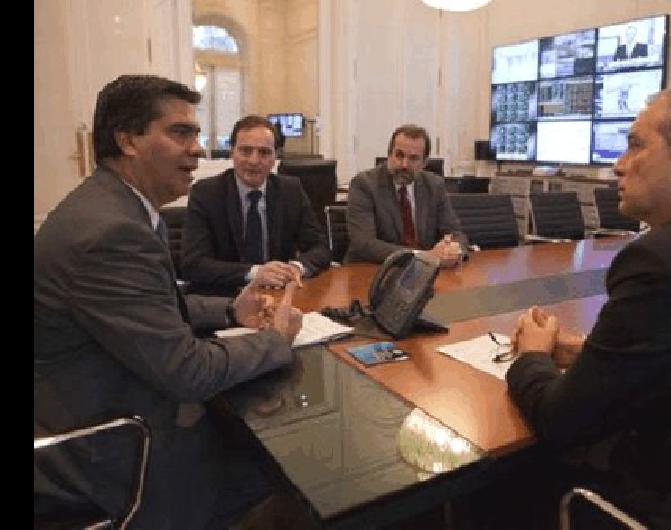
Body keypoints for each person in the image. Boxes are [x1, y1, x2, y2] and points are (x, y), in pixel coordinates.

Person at [34, 75, 304, 529]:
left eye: (196, 134)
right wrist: (275, 340)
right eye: (181, 133)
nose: (198, 149)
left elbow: (154, 303)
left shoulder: (112, 206)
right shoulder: (110, 232)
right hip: (108, 445)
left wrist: (228, 311)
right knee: (288, 465)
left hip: (92, 398)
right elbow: (189, 371)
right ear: (128, 140)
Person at [505, 81, 671, 529]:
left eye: (634, 146)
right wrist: (593, 354)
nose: (617, 166)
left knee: (508, 479)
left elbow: (562, 419)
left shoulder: (661, 262)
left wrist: (531, 353)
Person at [182, 115, 330, 296]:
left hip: (278, 295)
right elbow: (194, 263)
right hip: (224, 298)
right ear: (232, 152)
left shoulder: (290, 191)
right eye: (245, 151)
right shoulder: (206, 193)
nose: (253, 161)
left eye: (264, 152)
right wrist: (255, 273)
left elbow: (320, 248)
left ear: (276, 156)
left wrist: (296, 267)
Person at [345, 124, 467, 266]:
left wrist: (453, 250)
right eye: (399, 155)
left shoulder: (434, 185)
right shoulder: (364, 184)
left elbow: (455, 233)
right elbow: (364, 243)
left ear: (424, 162)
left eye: (413, 158)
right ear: (389, 154)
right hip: (371, 271)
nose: (404, 164)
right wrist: (422, 256)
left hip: (422, 273)